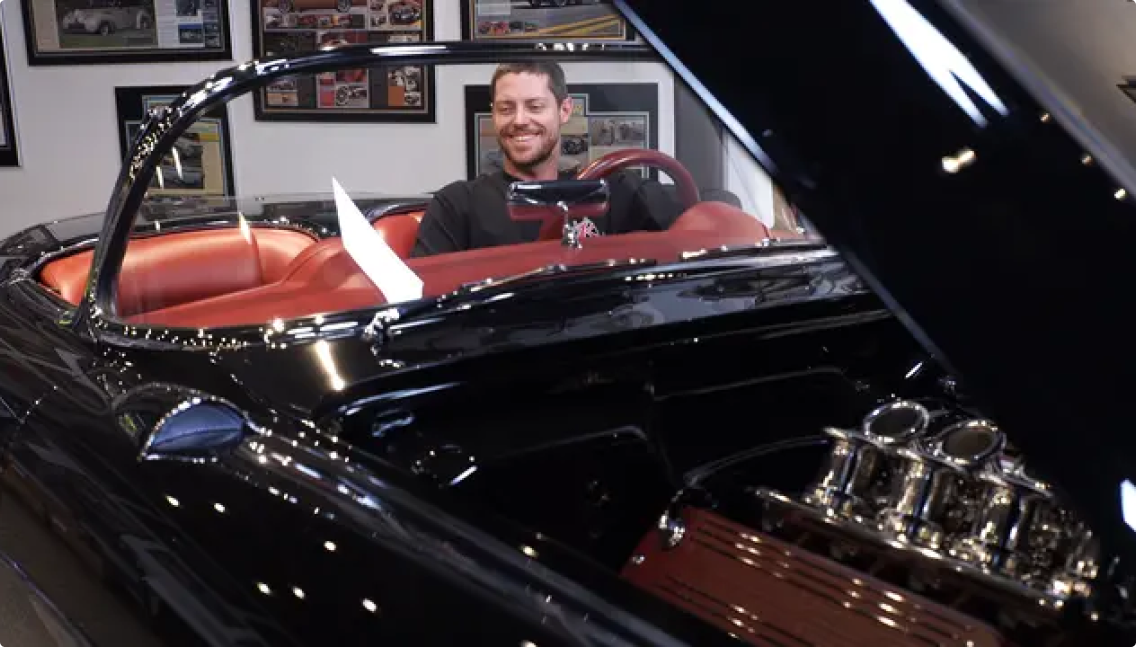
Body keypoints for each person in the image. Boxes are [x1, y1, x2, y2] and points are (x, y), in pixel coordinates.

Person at [410, 61, 684, 257]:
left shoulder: (615, 189)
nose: (519, 121)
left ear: (564, 110)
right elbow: (418, 297)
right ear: (493, 114)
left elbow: (710, 212)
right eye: (506, 108)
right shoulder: (457, 205)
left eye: (535, 107)